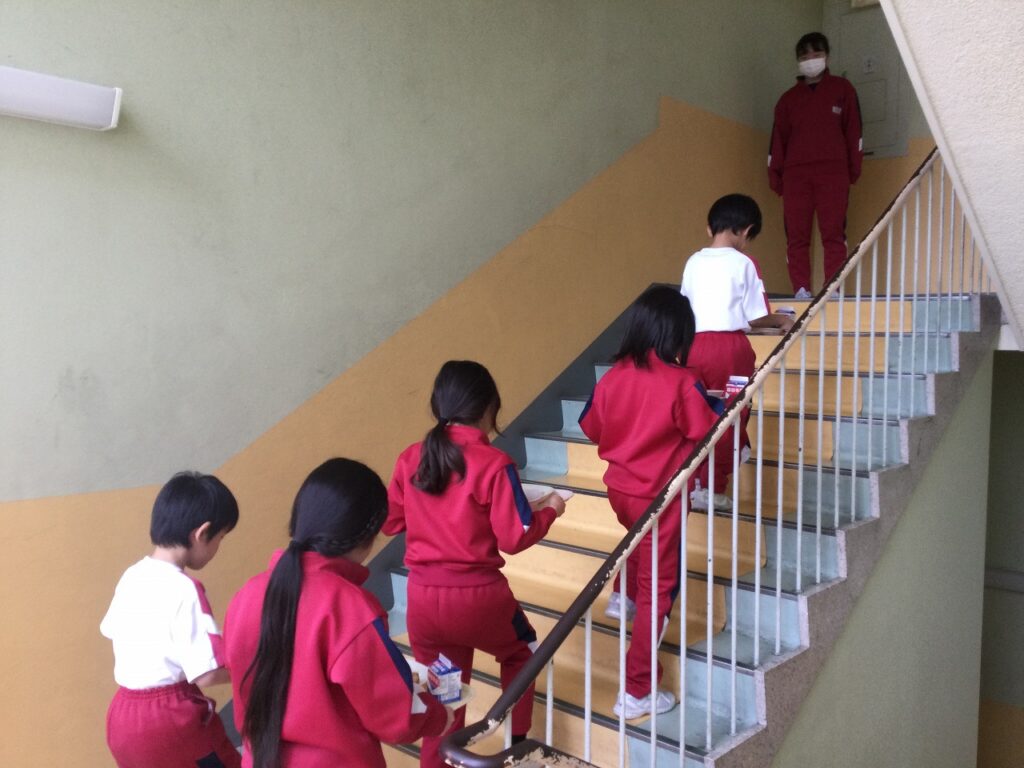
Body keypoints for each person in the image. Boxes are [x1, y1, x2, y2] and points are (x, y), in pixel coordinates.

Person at [384, 360, 566, 767]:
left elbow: (392, 520)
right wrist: (551, 508)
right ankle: (516, 746)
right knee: (523, 654)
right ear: (488, 408)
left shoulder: (410, 458)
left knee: (445, 690)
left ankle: (438, 759)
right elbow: (515, 537)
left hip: (423, 601)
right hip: (477, 598)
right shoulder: (494, 463)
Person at [224, 458, 451, 768]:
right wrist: (438, 716)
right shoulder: (350, 606)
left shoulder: (246, 594)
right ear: (367, 536)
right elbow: (394, 717)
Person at [578, 286, 719, 720]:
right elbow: (705, 429)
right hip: (660, 498)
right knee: (660, 588)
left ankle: (623, 597)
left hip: (621, 491)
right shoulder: (682, 381)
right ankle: (638, 689)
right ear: (677, 333)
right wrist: (729, 403)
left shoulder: (612, 377)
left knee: (637, 544)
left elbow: (590, 427)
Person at [100, 471, 242, 768]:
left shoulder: (132, 576)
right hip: (167, 719)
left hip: (121, 717)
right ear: (202, 533)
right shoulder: (185, 588)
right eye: (220, 538)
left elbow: (113, 631)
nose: (218, 548)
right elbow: (206, 674)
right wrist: (250, 670)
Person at [681, 193, 794, 510]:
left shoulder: (693, 261)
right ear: (747, 230)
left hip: (691, 348)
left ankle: (694, 483)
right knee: (730, 414)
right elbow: (756, 317)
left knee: (699, 414)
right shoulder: (744, 262)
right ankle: (713, 486)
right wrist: (782, 320)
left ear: (710, 228)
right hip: (729, 352)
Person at [768, 31, 863, 298]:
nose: (811, 60)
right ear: (798, 61)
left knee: (833, 234)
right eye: (805, 56)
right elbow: (778, 141)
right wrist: (775, 176)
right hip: (795, 176)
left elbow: (854, 132)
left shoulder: (843, 90)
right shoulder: (787, 100)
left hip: (833, 172)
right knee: (797, 236)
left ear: (827, 56)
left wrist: (852, 169)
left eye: (817, 54)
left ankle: (833, 288)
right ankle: (801, 289)